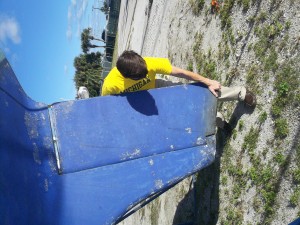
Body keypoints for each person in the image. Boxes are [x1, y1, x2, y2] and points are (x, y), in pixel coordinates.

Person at [101, 50, 256, 129]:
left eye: (145, 73)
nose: (144, 76)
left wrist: (207, 81)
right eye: (138, 78)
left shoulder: (149, 63)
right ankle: (219, 120)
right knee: (185, 114)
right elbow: (109, 109)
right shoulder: (111, 85)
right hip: (139, 103)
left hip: (157, 87)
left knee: (196, 93)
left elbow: (181, 72)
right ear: (125, 75)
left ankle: (240, 93)